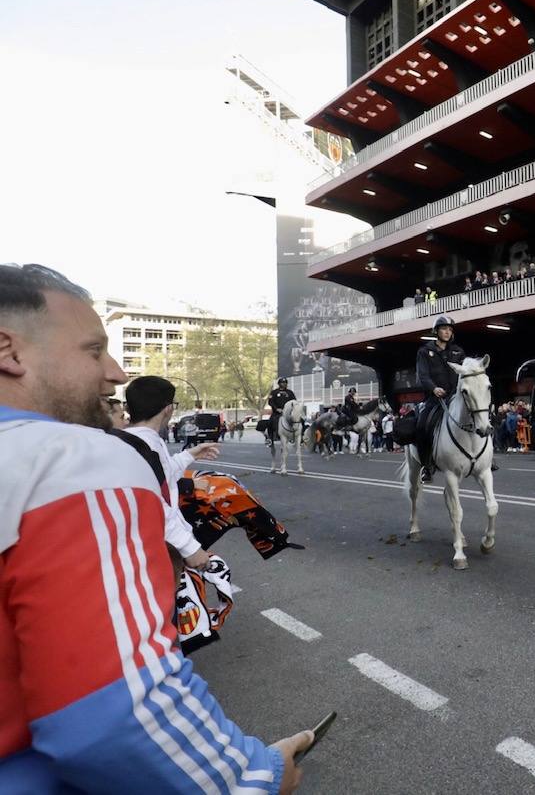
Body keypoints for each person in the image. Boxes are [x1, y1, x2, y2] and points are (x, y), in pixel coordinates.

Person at [0, 263, 310, 792]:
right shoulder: (71, 458)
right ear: (10, 352)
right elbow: (112, 714)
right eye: (93, 350)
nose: (116, 372)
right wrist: (256, 776)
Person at [124, 376, 217, 571]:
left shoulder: (142, 440)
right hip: (155, 548)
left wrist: (190, 454)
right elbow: (152, 501)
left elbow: (163, 476)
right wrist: (188, 547)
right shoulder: (142, 446)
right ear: (168, 408)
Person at [415, 315, 466, 481]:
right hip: (434, 399)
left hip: (455, 398)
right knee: (422, 426)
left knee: (478, 417)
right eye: (444, 329)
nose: (447, 332)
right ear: (436, 331)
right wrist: (433, 388)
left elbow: (465, 372)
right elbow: (423, 375)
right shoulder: (424, 351)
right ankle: (426, 466)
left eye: (450, 330)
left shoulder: (458, 351)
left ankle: (485, 459)